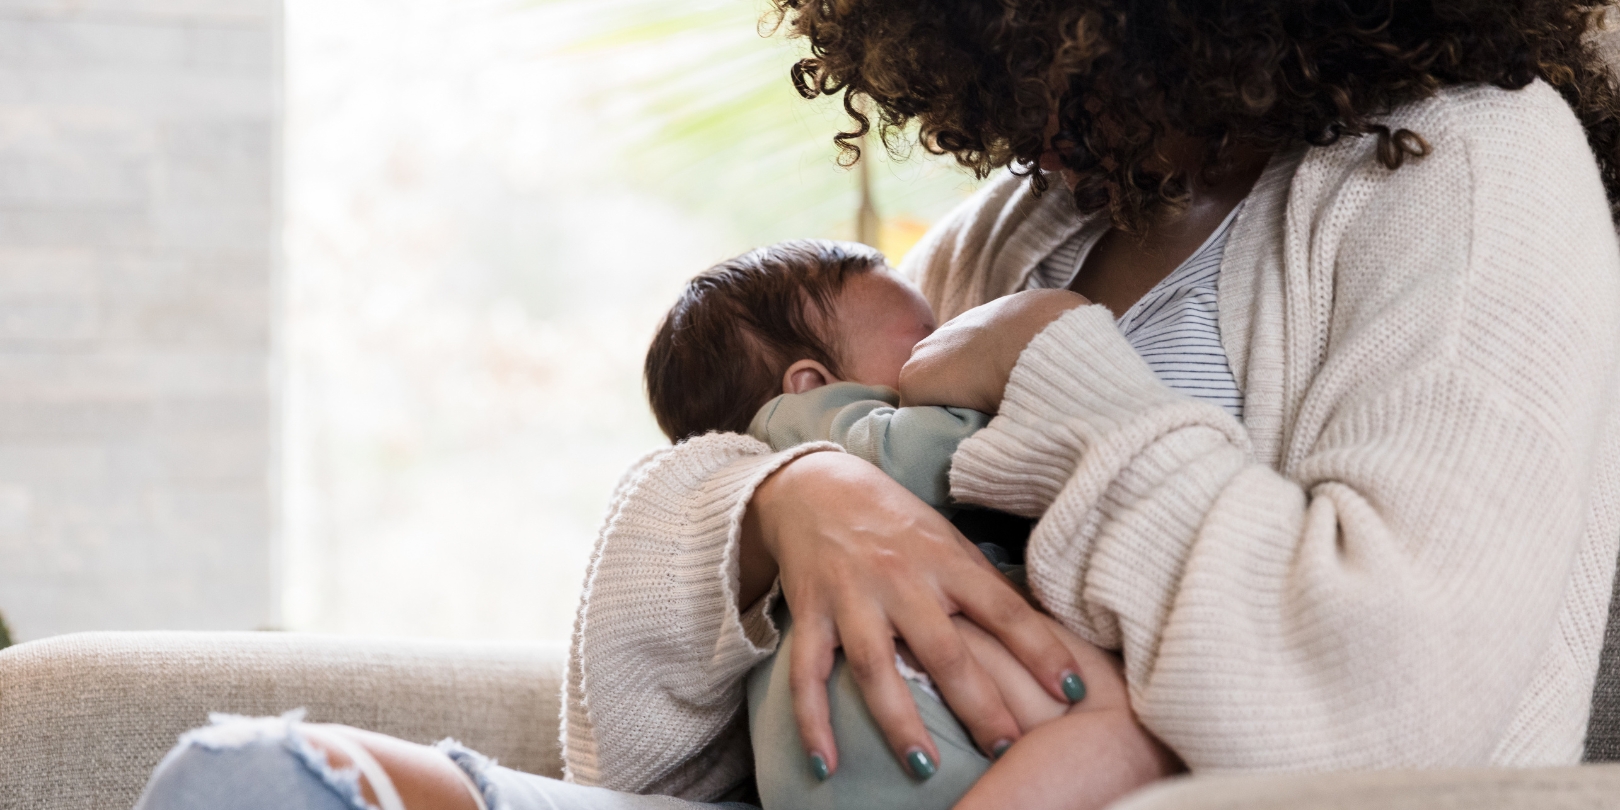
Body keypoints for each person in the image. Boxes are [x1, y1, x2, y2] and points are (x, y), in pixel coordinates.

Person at [135, 1, 1620, 808]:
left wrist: (1058, 376)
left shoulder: (1471, 168)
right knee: (252, 781)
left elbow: (1383, 709)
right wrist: (793, 504)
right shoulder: (1029, 221)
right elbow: (642, 744)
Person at [642, 237, 1176, 809]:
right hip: (894, 699)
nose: (949, 347)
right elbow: (933, 456)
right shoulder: (806, 424)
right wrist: (1021, 374)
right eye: (927, 341)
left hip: (835, 761)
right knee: (1129, 728)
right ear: (811, 384)